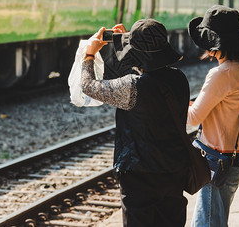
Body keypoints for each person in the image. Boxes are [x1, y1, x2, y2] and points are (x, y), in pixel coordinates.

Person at [81, 19, 191, 227]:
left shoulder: (131, 87)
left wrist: (89, 55)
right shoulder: (179, 79)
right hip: (173, 170)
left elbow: (88, 86)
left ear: (137, 52)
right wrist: (124, 46)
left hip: (140, 177)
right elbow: (133, 77)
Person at [187, 5, 239, 227]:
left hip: (216, 163)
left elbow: (193, 118)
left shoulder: (220, 74)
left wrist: (170, 106)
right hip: (234, 162)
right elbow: (219, 107)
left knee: (206, 224)